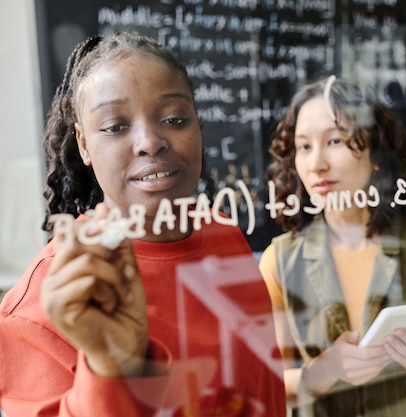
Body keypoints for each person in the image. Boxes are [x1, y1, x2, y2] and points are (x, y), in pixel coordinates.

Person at [0, 32, 285, 417]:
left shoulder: (223, 234)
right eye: (115, 127)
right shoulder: (50, 303)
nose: (150, 141)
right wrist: (112, 366)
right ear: (83, 144)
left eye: (174, 119)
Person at [259, 76, 406, 416]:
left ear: (375, 152)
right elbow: (269, 392)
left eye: (334, 140)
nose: (316, 164)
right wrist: (324, 372)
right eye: (303, 147)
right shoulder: (278, 262)